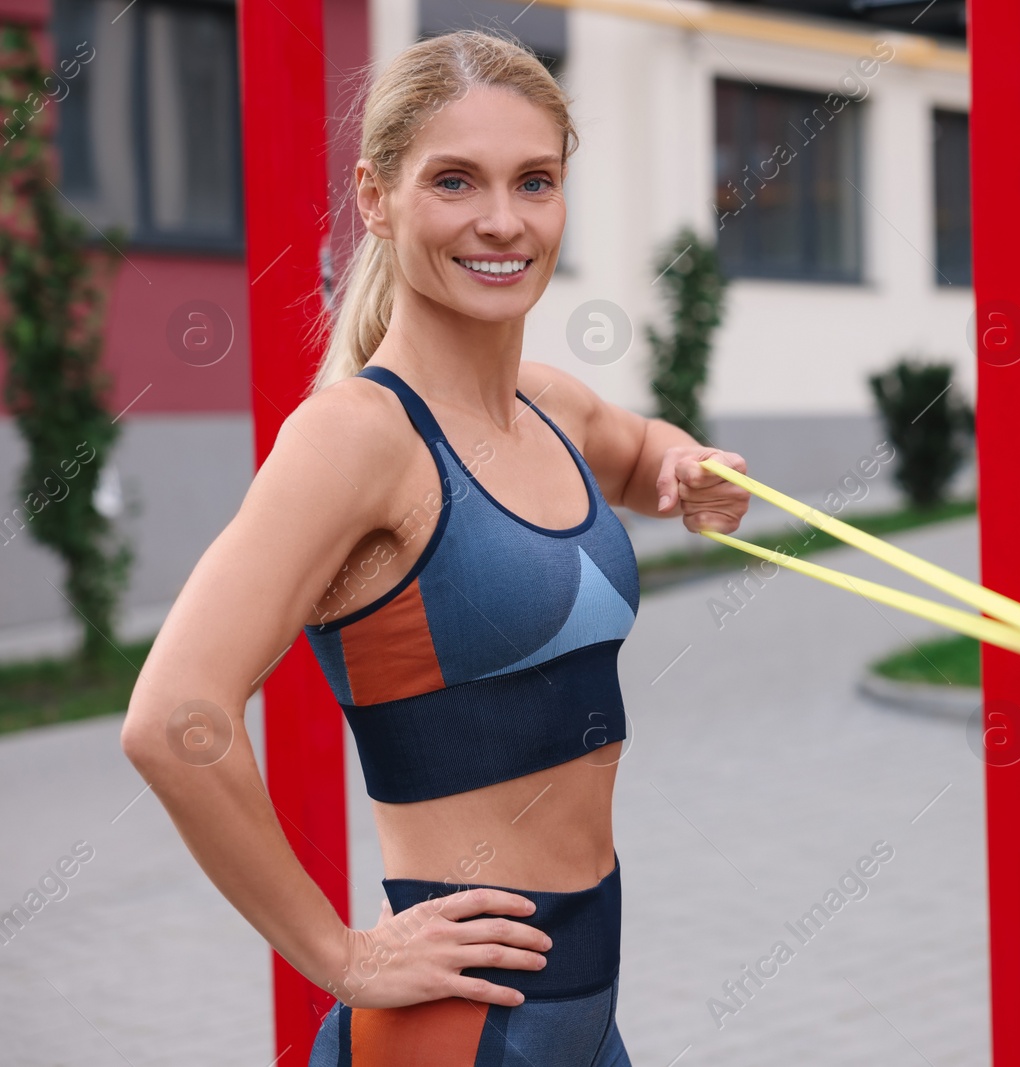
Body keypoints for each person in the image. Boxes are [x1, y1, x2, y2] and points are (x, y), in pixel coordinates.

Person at [119, 28, 749, 1066]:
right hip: (461, 1028)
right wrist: (340, 954)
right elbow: (173, 717)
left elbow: (639, 454)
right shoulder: (358, 439)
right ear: (374, 196)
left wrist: (688, 471)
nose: (503, 221)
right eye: (455, 181)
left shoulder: (545, 404)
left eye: (534, 181)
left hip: (585, 1016)